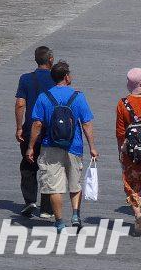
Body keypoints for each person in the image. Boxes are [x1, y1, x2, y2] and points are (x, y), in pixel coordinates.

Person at [25, 59, 98, 232]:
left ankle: (59, 221)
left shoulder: (44, 97)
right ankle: (75, 215)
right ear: (66, 77)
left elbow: (37, 124)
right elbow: (86, 123)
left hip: (50, 145)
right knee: (75, 183)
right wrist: (92, 147)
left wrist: (30, 147)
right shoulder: (78, 96)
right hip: (74, 146)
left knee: (54, 186)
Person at [14, 46, 55, 220]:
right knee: (49, 168)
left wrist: (19, 127)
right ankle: (46, 208)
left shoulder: (26, 78)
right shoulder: (56, 79)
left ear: (36, 59)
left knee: (28, 166)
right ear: (50, 59)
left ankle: (30, 200)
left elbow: (20, 104)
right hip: (50, 130)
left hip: (30, 128)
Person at [116, 67, 141, 236]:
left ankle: (137, 212)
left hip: (131, 154)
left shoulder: (123, 104)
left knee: (131, 185)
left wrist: (121, 151)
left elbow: (120, 132)